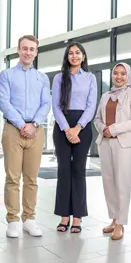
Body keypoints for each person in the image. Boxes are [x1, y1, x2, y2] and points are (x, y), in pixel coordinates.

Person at [0, 35, 51, 238]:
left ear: (36, 52)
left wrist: (34, 124)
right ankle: (12, 220)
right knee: (12, 177)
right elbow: (4, 102)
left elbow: (45, 103)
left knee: (31, 178)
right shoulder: (7, 75)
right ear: (18, 50)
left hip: (36, 131)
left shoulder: (42, 78)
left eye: (32, 49)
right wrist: (22, 125)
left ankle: (29, 219)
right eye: (25, 48)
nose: (28, 52)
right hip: (13, 130)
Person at [94, 62, 131, 240]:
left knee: (122, 183)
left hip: (125, 144)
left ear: (128, 75)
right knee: (109, 183)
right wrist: (103, 129)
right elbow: (97, 118)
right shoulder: (105, 95)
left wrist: (113, 129)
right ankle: (114, 219)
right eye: (116, 73)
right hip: (105, 142)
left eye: (123, 74)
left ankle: (121, 223)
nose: (119, 77)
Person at [51, 42, 97, 233]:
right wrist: (67, 129)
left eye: (78, 53)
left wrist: (77, 128)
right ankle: (64, 216)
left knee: (78, 171)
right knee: (64, 171)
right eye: (71, 53)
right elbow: (55, 106)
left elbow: (91, 105)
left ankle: (77, 217)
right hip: (62, 126)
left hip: (83, 127)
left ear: (83, 56)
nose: (74, 56)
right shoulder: (59, 78)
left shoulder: (90, 78)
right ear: (67, 57)